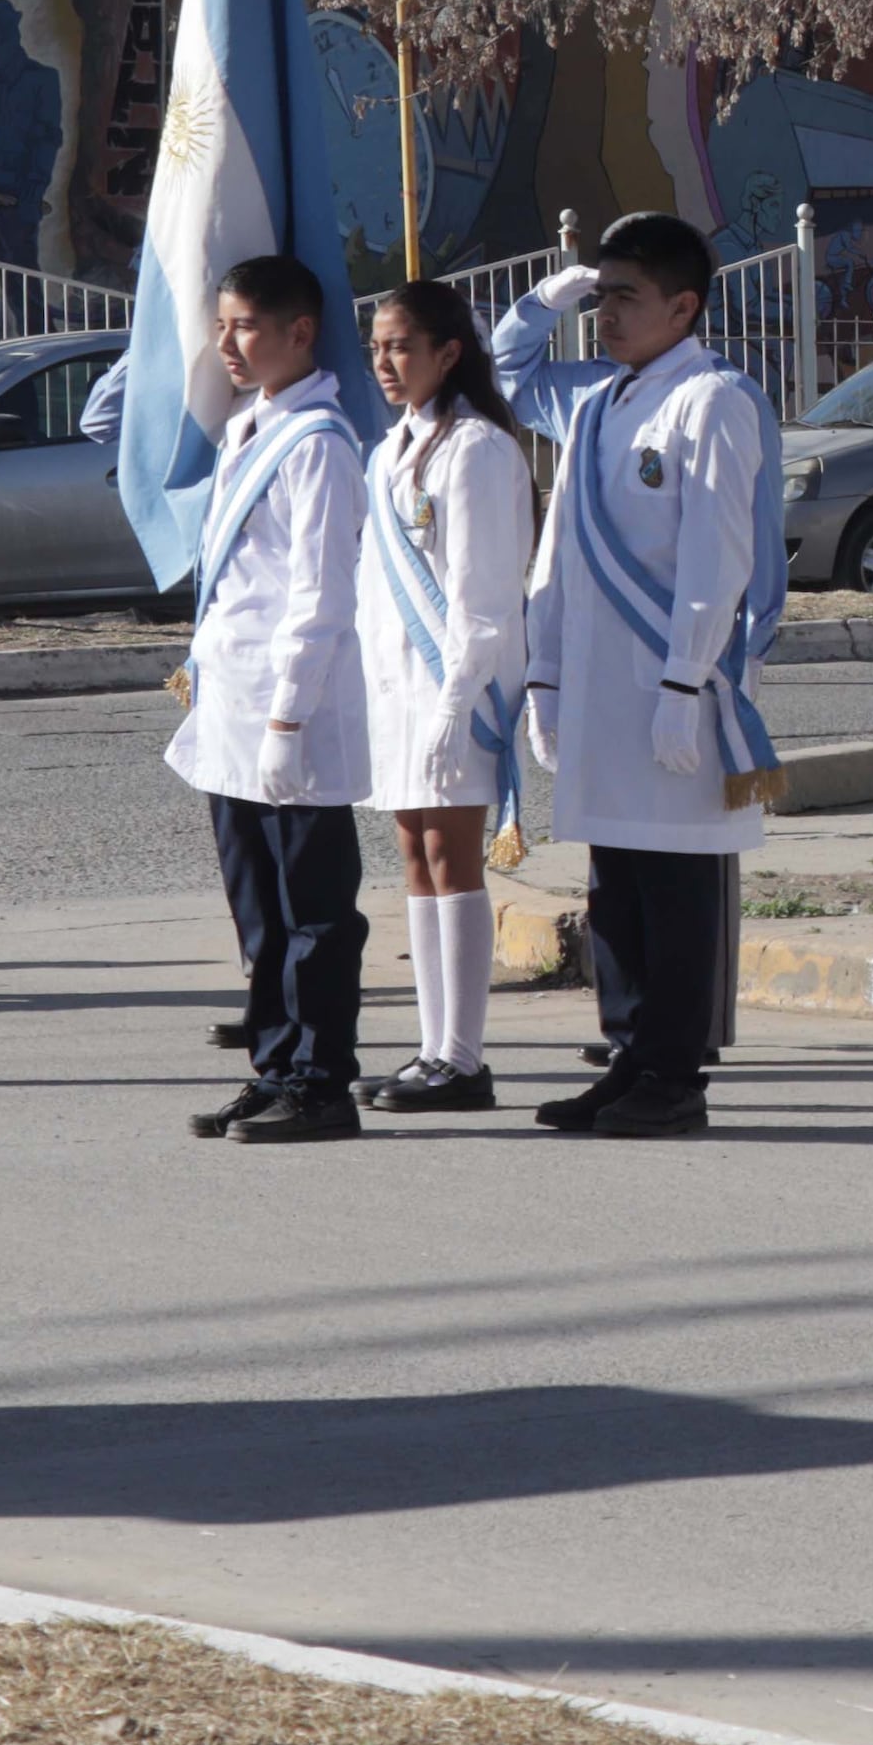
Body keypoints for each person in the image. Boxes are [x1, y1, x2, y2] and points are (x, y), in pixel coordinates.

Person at [495, 210, 786, 1139]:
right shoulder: (597, 404)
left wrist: (684, 681)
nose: (607, 314)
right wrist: (542, 674)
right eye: (602, 294)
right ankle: (627, 1056)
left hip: (671, 687)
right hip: (595, 687)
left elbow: (718, 554)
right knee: (614, 879)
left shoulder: (713, 400)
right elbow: (558, 557)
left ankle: (674, 1071)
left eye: (627, 295)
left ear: (684, 306)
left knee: (677, 884)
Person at [165, 253, 374, 1147]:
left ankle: (322, 1081)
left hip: (292, 710)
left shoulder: (319, 444)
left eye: (245, 325)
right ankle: (275, 1065)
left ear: (300, 332)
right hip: (231, 707)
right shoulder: (248, 425)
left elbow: (320, 596)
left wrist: (288, 716)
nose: (227, 343)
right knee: (260, 909)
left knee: (314, 911)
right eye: (221, 325)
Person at [354, 278, 535, 1116]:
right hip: (397, 692)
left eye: (401, 346)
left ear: (448, 352)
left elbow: (484, 594)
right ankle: (430, 1047)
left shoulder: (478, 449)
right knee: (415, 858)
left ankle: (463, 1059)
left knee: (453, 859)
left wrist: (455, 699)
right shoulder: (390, 447)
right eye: (378, 347)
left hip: (457, 687)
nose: (385, 362)